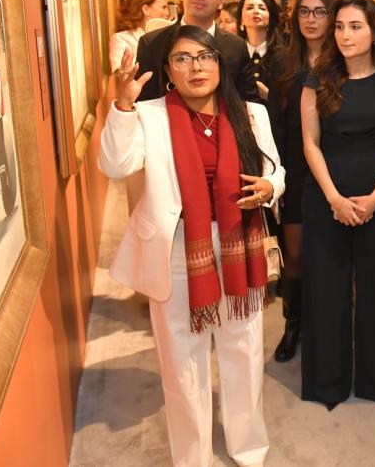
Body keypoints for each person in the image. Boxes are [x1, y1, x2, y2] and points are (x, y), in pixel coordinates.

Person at [98, 25, 285, 467]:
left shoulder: (251, 114)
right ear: (167, 70)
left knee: (243, 351)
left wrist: (269, 187)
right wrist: (122, 106)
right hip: (178, 248)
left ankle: (247, 447)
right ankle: (192, 457)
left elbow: (276, 170)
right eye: (182, 58)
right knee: (182, 361)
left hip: (239, 243)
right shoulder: (149, 115)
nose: (196, 67)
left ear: (220, 64)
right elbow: (116, 164)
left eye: (205, 57)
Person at [300, 0, 375, 409]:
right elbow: (310, 143)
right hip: (325, 197)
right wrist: (334, 198)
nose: (345, 35)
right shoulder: (317, 80)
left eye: (355, 26)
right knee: (326, 290)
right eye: (340, 27)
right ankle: (326, 383)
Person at [268, 0, 335, 362]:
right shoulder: (282, 62)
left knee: (328, 253)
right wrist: (275, 176)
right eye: (305, 12)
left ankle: (324, 325)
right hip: (293, 164)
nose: (311, 19)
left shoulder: (342, 59)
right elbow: (274, 123)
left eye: (320, 11)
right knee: (294, 252)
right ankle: (293, 324)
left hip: (335, 164)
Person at [135, 0, 258, 103]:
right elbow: (145, 102)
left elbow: (249, 101)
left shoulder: (236, 46)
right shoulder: (152, 43)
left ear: (221, 2)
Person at [237, 0, 285, 102]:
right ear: (241, 20)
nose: (256, 11)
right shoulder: (235, 54)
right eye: (250, 8)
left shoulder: (282, 56)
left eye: (262, 8)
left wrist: (269, 95)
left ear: (270, 18)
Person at [110, 0, 169, 70]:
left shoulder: (164, 37)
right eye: (164, 7)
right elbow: (120, 73)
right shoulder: (121, 38)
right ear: (146, 10)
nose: (167, 13)